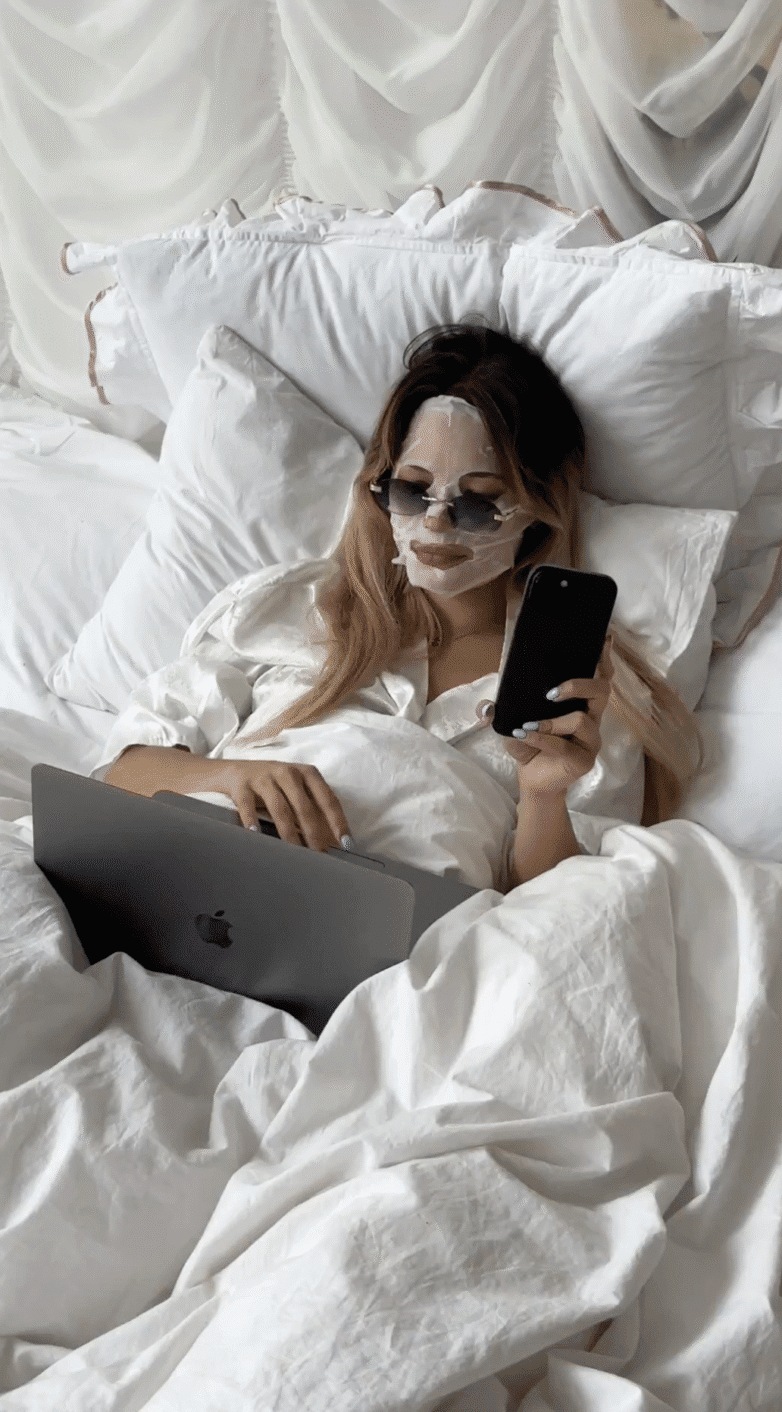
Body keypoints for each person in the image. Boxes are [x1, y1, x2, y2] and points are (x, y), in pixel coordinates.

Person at [97, 321, 704, 892]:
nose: (436, 523)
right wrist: (232, 776)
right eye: (412, 491)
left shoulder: (583, 694)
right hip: (195, 886)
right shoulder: (288, 608)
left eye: (477, 504)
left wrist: (544, 794)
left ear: (538, 513)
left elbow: (556, 914)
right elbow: (119, 775)